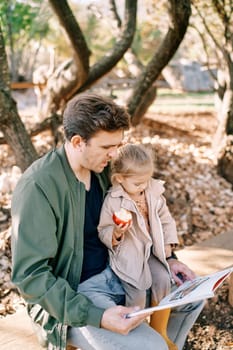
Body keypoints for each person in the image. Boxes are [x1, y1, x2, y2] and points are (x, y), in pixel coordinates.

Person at [11, 93, 204, 350]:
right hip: (74, 299)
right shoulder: (38, 187)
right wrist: (97, 316)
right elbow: (30, 277)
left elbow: (142, 220)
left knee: (192, 297)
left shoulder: (104, 171)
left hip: (119, 273)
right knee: (150, 347)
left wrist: (169, 259)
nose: (114, 154)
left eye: (117, 145)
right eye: (106, 147)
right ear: (78, 142)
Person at [98, 144, 182, 350]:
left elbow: (165, 218)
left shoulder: (152, 192)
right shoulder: (113, 201)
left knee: (163, 279)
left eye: (146, 181)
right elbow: (103, 229)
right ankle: (136, 335)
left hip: (152, 251)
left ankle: (159, 332)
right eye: (137, 183)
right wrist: (116, 232)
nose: (143, 187)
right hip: (130, 254)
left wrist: (169, 243)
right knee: (136, 293)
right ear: (119, 179)